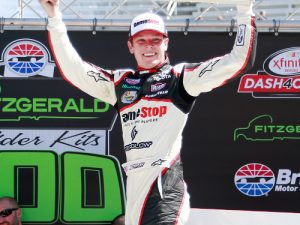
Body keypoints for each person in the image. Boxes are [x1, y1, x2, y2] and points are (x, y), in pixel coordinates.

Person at [39, 0, 257, 224]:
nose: (149, 46)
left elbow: (238, 61)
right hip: (135, 191)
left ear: (166, 43)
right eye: (141, 41)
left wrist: (244, 10)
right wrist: (55, 18)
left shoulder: (180, 78)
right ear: (131, 46)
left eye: (155, 40)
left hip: (164, 190)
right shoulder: (120, 83)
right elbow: (74, 70)